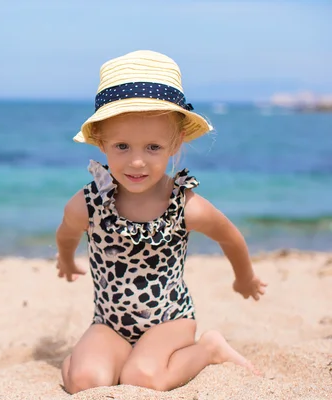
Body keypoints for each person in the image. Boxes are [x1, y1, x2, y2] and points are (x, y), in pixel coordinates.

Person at [55, 50, 267, 394]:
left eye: (153, 147)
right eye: (122, 146)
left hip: (171, 320)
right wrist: (65, 260)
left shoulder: (184, 206)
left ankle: (209, 349)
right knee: (84, 382)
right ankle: (102, 358)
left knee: (143, 379)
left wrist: (245, 277)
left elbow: (229, 237)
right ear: (102, 143)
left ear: (175, 143)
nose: (136, 161)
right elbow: (65, 234)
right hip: (110, 323)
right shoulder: (88, 204)